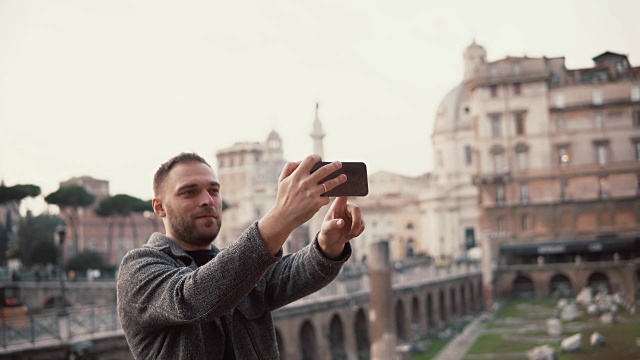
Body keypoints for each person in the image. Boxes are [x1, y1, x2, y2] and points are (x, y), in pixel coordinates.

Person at [117, 152, 365, 359]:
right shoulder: (139, 267)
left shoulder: (239, 265)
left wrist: (328, 244)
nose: (207, 200)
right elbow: (192, 298)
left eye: (213, 191)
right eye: (189, 192)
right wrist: (282, 217)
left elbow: (290, 275)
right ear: (159, 207)